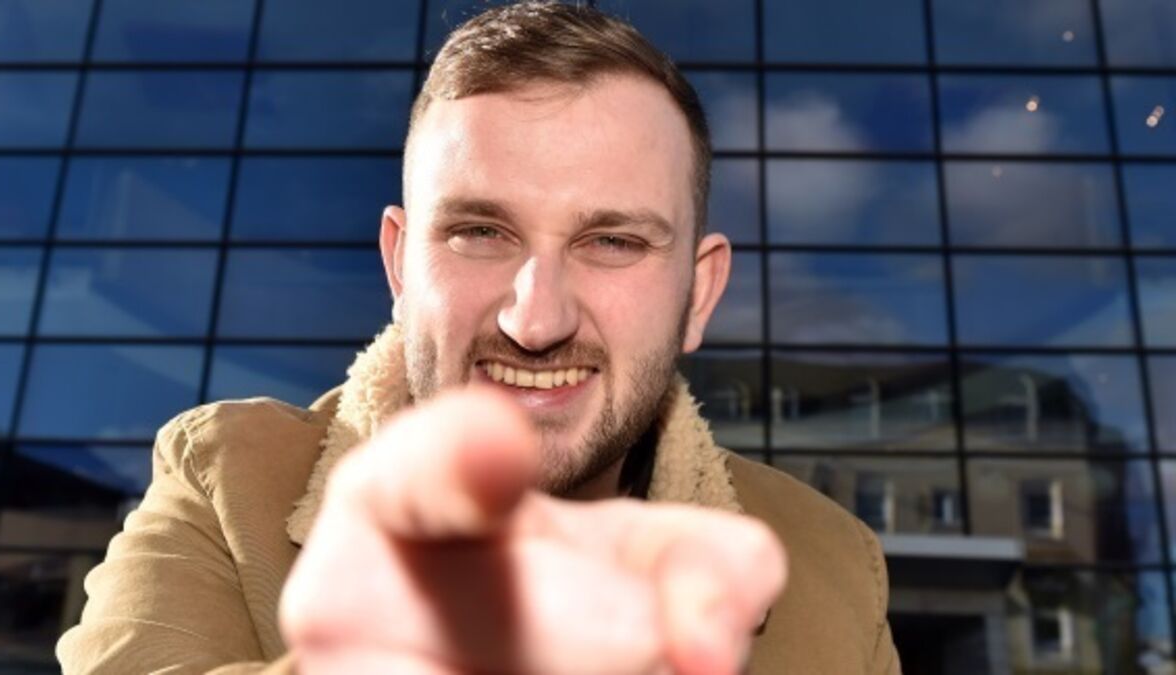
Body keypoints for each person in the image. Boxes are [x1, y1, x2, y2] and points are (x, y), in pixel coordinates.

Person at [57, 3, 900, 673]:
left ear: (699, 294)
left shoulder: (832, 567)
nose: (535, 321)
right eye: (480, 232)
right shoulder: (222, 481)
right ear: (400, 265)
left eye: (612, 241)